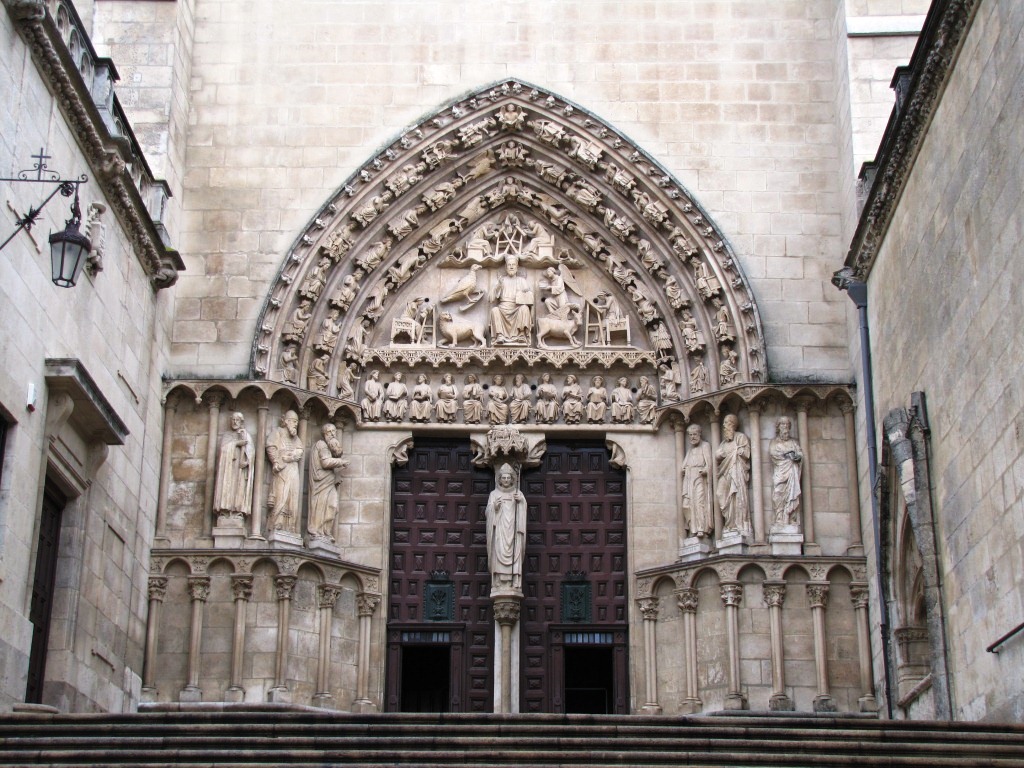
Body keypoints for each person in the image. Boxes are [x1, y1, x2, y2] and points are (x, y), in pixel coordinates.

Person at [485, 463, 527, 592]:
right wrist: (494, 507)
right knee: (498, 550)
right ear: (500, 479)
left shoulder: (518, 493)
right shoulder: (494, 494)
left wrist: (521, 502)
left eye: (508, 478)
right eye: (504, 478)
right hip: (500, 530)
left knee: (515, 551)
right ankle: (498, 581)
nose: (506, 480)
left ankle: (515, 580)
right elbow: (488, 512)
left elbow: (523, 510)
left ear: (513, 479)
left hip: (513, 530)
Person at [308, 423, 349, 542]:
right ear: (324, 434)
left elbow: (335, 455)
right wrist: (341, 462)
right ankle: (317, 531)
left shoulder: (328, 447)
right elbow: (325, 463)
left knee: (333, 506)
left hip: (328, 483)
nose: (332, 434)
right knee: (321, 506)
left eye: (334, 431)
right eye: (329, 432)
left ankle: (326, 531)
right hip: (320, 484)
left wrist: (337, 449)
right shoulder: (322, 445)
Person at [266, 410, 304, 533]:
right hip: (282, 468)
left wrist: (292, 456)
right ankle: (277, 523)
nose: (296, 424)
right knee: (281, 495)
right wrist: (276, 461)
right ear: (286, 421)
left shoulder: (296, 438)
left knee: (293, 496)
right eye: (293, 421)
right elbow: (271, 446)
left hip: (293, 469)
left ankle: (290, 525)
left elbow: (300, 451)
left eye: (297, 422)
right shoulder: (278, 432)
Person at [212, 412, 254, 523]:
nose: (235, 422)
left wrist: (246, 462)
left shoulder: (246, 435)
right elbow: (223, 450)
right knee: (227, 487)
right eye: (233, 420)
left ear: (241, 422)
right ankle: (225, 511)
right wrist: (236, 444)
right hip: (228, 469)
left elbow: (251, 453)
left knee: (239, 488)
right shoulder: (227, 435)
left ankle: (237, 511)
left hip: (240, 469)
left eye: (237, 420)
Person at [716, 414, 751, 535]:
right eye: (724, 423)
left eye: (726, 423)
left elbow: (747, 453)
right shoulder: (723, 443)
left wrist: (740, 451)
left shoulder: (740, 437)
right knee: (720, 493)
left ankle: (738, 524)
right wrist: (719, 455)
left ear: (733, 424)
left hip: (737, 472)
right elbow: (718, 455)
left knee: (736, 495)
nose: (724, 425)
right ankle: (729, 522)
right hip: (725, 471)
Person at [489, 255, 533, 344]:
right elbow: (491, 299)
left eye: (513, 265)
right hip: (503, 307)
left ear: (517, 267)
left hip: (517, 307)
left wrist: (525, 293)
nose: (511, 267)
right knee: (495, 310)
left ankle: (521, 334)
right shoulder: (501, 280)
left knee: (524, 308)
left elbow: (529, 298)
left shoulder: (522, 281)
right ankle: (500, 335)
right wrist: (498, 286)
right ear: (506, 267)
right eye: (509, 265)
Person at [680, 424, 713, 538]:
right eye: (690, 435)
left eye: (694, 434)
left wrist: (705, 470)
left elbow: (710, 464)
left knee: (699, 502)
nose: (692, 437)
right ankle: (692, 529)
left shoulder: (705, 446)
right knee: (687, 504)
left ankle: (701, 528)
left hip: (700, 477)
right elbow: (683, 466)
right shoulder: (690, 450)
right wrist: (685, 469)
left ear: (699, 434)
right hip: (689, 478)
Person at [770, 416, 803, 527]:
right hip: (780, 471)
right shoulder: (774, 442)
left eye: (787, 425)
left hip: (792, 471)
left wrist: (797, 457)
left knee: (792, 493)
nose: (785, 427)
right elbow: (773, 454)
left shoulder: (793, 442)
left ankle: (791, 517)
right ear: (778, 427)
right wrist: (787, 454)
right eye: (783, 424)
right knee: (778, 493)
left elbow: (800, 454)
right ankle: (779, 516)